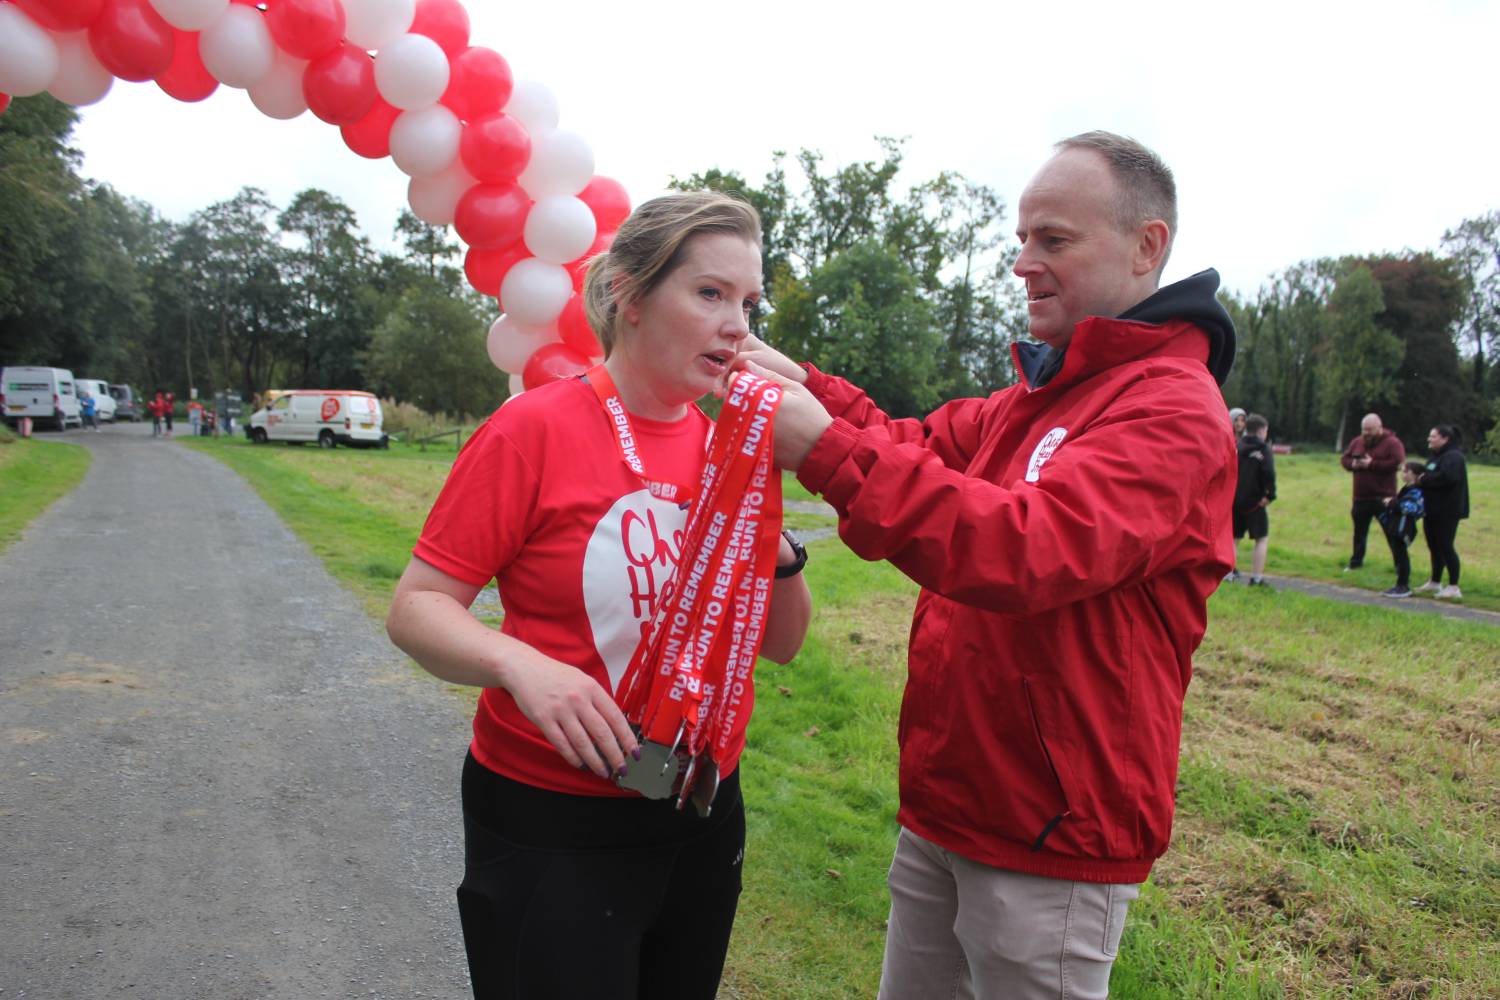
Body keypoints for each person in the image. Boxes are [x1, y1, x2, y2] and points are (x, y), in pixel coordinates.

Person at [729, 131, 1236, 999]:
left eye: (1053, 239)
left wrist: (818, 446)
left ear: (1146, 246)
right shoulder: (1035, 398)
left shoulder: (1172, 411)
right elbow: (911, 444)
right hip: (952, 803)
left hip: (1051, 835)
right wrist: (805, 386)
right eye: (1022, 238)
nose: (1023, 263)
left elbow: (1026, 548)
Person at [385, 192, 813, 1000]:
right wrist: (520, 665)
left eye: (749, 304)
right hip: (552, 817)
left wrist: (780, 548)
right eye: (711, 293)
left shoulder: (732, 447)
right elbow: (416, 607)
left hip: (700, 804)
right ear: (630, 295)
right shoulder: (532, 428)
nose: (738, 327)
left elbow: (781, 645)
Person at [1339, 412, 1405, 571]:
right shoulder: (1357, 442)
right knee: (1359, 533)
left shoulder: (1393, 443)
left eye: (1370, 429)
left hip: (1384, 498)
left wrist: (1371, 464)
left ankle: (1400, 566)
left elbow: (1397, 463)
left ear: (1380, 428)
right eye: (1364, 429)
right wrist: (1353, 464)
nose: (1366, 433)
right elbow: (1344, 459)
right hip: (1360, 497)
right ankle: (1356, 562)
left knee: (1391, 533)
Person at [1414, 424, 1469, 600]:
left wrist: (1424, 479)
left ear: (1445, 439)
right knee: (1434, 545)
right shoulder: (1436, 456)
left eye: (1433, 436)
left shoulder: (1454, 457)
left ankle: (1453, 586)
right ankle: (1435, 581)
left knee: (1446, 546)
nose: (1429, 439)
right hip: (1431, 509)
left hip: (1447, 511)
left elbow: (1448, 477)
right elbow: (1428, 473)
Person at [1230, 413, 1275, 586]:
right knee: (1261, 539)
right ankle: (1256, 578)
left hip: (1235, 499)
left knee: (1234, 538)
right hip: (1256, 502)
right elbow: (1269, 473)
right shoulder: (1264, 449)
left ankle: (1228, 573)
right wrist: (1270, 495)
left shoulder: (1237, 446)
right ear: (1262, 430)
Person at [1378, 461, 1427, 598]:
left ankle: (1403, 585)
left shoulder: (1416, 490)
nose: (1402, 474)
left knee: (1401, 555)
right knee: (1398, 554)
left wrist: (1393, 503)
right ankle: (1400, 584)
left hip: (1404, 527)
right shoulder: (1407, 488)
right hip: (1397, 524)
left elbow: (1411, 508)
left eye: (1406, 471)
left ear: (1415, 475)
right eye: (1402, 471)